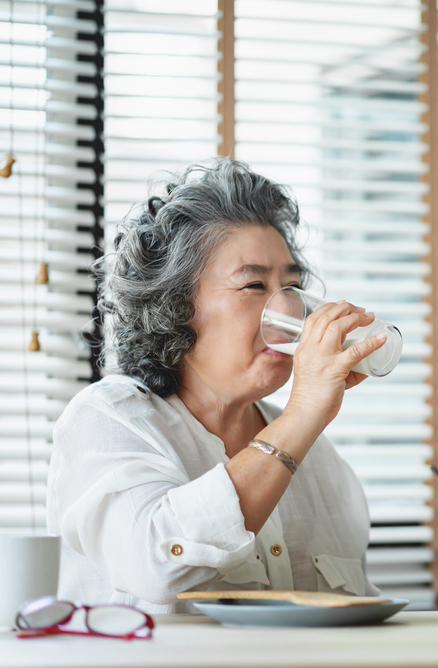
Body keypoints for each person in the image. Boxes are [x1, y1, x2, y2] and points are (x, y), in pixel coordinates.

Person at [47, 159, 386, 613]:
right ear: (174, 306)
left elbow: (357, 617)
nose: (287, 310)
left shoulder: (320, 460)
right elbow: (157, 564)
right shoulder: (107, 419)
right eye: (253, 285)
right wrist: (304, 413)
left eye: (291, 286)